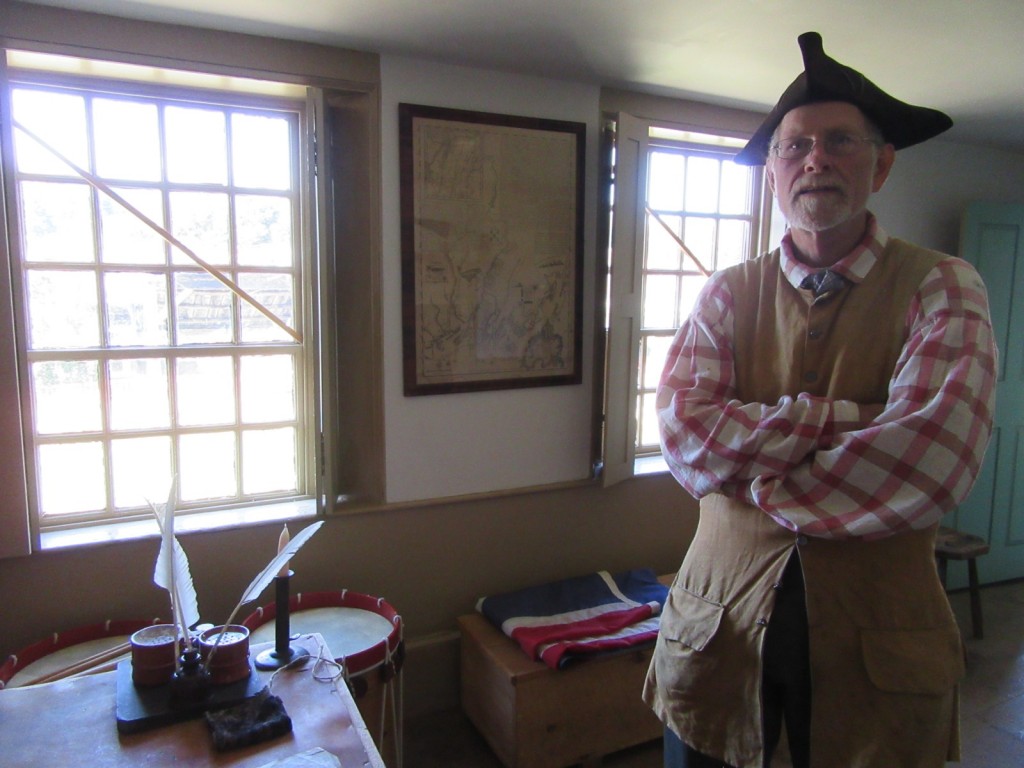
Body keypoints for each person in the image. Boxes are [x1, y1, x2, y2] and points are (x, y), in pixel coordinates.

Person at [643, 31, 997, 768]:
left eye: (840, 142)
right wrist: (856, 421)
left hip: (881, 652)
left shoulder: (944, 284)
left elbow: (931, 464)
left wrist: (753, 470)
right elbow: (683, 434)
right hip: (717, 635)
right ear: (772, 172)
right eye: (794, 146)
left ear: (882, 162)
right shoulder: (725, 293)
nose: (816, 160)